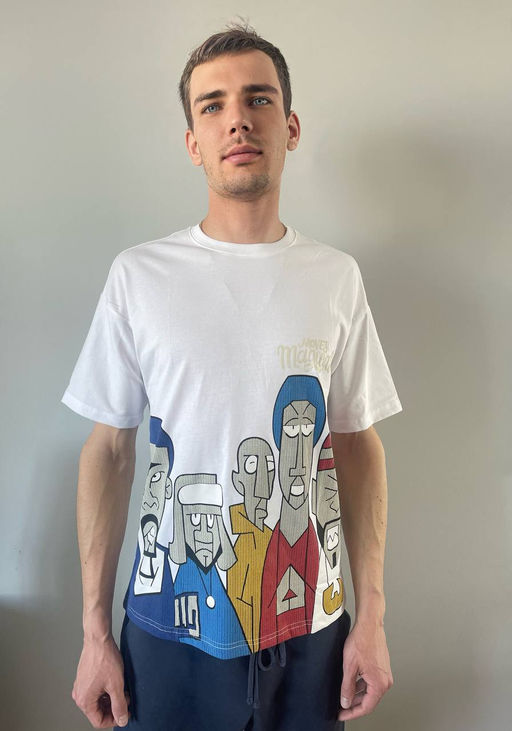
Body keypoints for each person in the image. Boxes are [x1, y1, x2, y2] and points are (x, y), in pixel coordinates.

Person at [62, 20, 403, 731]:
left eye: (258, 99)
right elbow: (109, 449)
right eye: (212, 105)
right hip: (166, 629)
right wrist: (93, 632)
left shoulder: (335, 277)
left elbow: (356, 445)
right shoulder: (139, 276)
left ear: (291, 126)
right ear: (193, 142)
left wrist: (371, 616)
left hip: (312, 628)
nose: (237, 120)